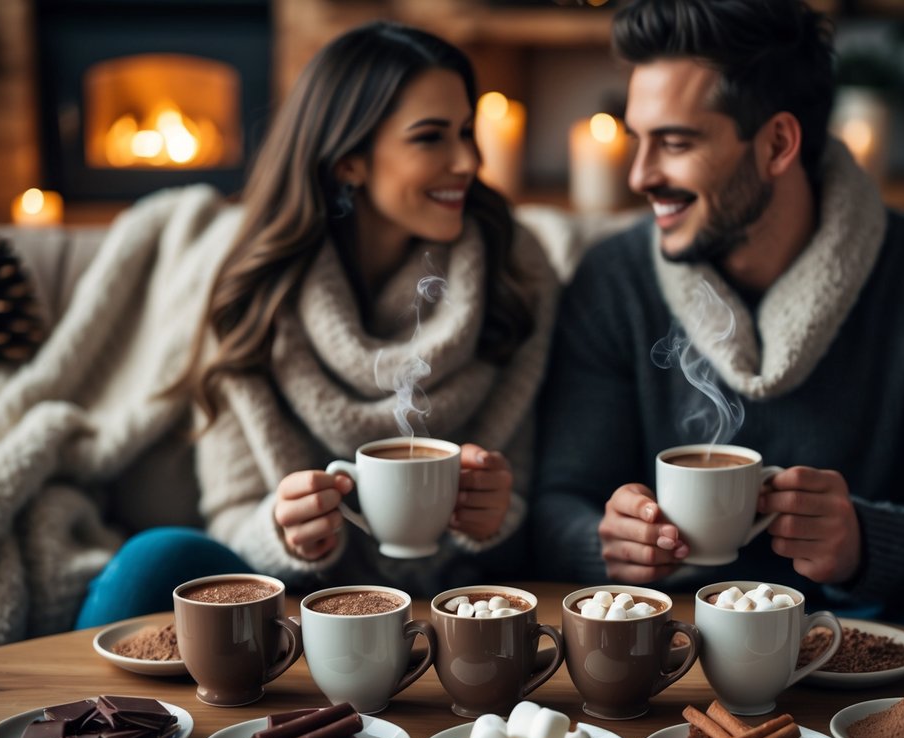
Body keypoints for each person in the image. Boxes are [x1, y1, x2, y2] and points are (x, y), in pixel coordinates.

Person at [531, 0, 904, 660]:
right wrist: (607, 540)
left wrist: (864, 541)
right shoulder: (613, 280)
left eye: (675, 143)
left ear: (776, 144)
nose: (639, 175)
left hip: (872, 610)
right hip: (677, 616)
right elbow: (557, 497)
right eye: (636, 140)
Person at [76, 21, 558, 626]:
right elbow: (229, 518)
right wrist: (284, 529)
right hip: (294, 609)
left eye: (466, 131)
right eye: (431, 137)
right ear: (350, 161)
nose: (468, 160)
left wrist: (496, 517)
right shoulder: (254, 287)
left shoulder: (515, 272)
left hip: (463, 613)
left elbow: (528, 526)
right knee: (153, 559)